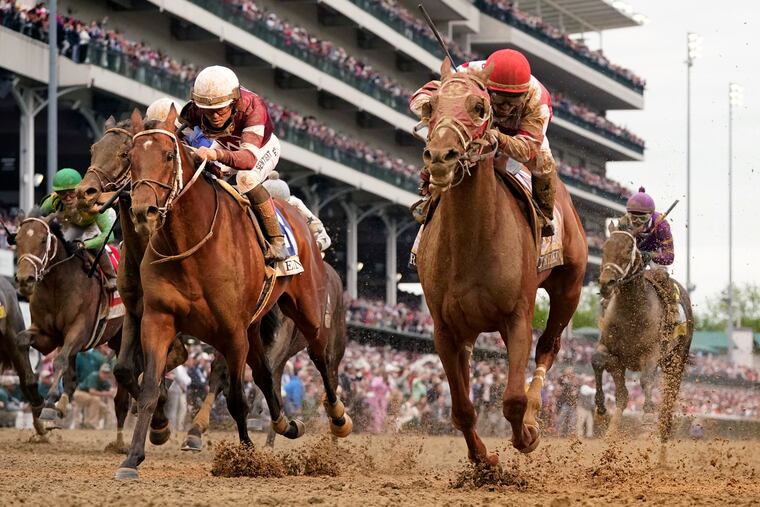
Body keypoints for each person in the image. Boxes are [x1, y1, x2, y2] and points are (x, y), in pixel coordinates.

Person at [409, 49, 557, 236]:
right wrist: (440, 110)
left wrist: (497, 137)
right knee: (445, 140)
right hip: (474, 123)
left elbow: (528, 150)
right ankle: (430, 194)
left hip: (520, 132)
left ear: (524, 94)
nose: (506, 107)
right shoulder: (464, 75)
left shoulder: (538, 100)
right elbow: (419, 96)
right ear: (488, 87)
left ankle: (543, 215)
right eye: (500, 100)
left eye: (513, 102)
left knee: (544, 163)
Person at [180, 65, 289, 262]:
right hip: (224, 147)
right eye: (208, 110)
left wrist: (214, 154)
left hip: (261, 149)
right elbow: (178, 136)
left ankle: (277, 240)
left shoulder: (253, 107)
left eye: (219, 109)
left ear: (233, 101)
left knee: (245, 178)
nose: (214, 116)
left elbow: (247, 159)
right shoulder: (193, 109)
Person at [40, 168, 118, 290]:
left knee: (92, 239)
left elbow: (109, 236)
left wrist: (84, 245)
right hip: (74, 224)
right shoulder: (51, 202)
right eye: (62, 193)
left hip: (95, 223)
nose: (67, 198)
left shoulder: (93, 203)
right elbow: (37, 223)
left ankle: (111, 276)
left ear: (79, 190)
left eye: (72, 192)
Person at [618, 187, 680, 335]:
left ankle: (673, 313)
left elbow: (669, 257)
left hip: (655, 256)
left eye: (642, 218)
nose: (638, 222)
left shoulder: (662, 225)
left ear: (650, 215)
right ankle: (607, 304)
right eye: (634, 217)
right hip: (633, 253)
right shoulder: (623, 224)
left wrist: (650, 255)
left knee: (660, 275)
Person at [263, 171, 331, 252]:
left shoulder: (295, 204)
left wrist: (317, 245)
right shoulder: (253, 204)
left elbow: (323, 237)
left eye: (280, 206)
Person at [72, 363, 116, 429]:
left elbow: (111, 391)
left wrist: (113, 393)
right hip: (79, 393)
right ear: (100, 371)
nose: (105, 374)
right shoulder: (94, 376)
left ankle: (87, 423)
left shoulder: (105, 381)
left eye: (107, 373)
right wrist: (106, 393)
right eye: (104, 372)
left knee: (104, 408)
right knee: (96, 400)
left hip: (89, 397)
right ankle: (92, 423)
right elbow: (92, 391)